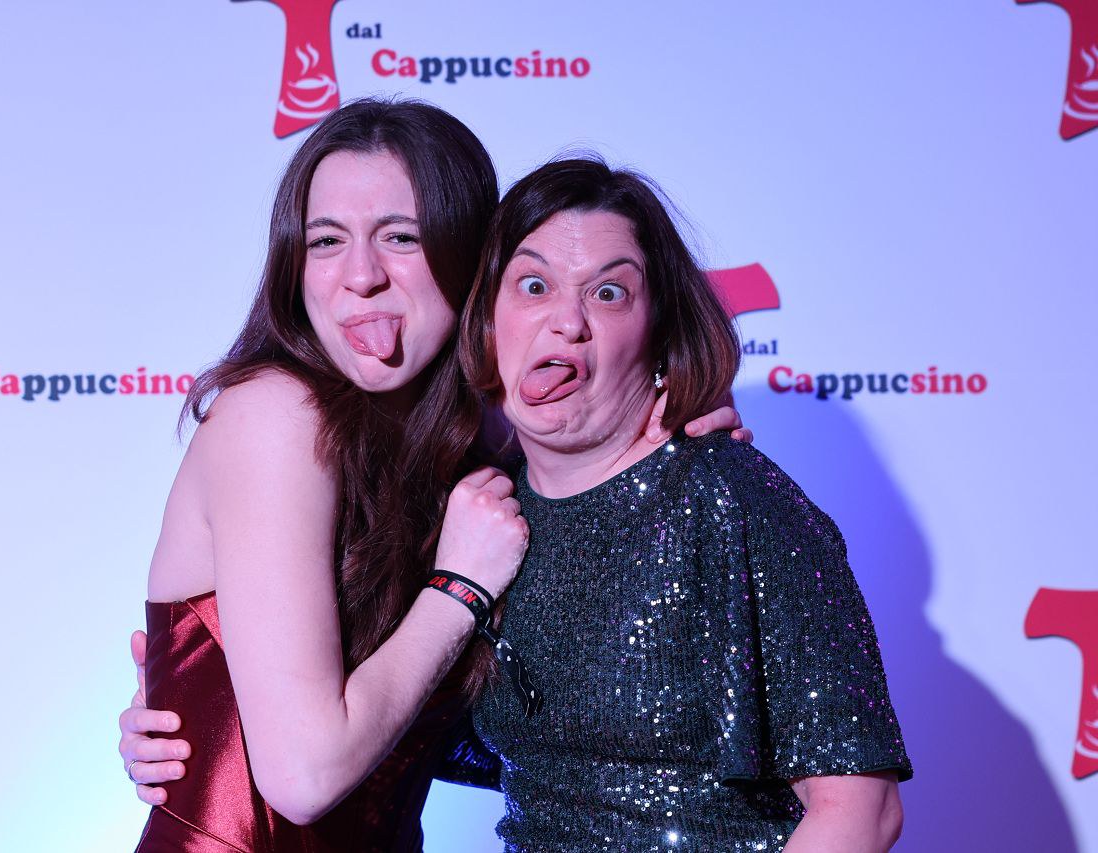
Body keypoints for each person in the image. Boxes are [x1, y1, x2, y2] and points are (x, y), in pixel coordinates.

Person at [121, 99, 747, 852]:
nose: (361, 276)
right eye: (326, 240)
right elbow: (303, 776)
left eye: (401, 237)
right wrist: (458, 591)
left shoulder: (481, 450)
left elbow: (529, 744)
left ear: (471, 260)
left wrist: (674, 428)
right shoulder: (274, 415)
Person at [459, 158, 912, 851]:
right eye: (534, 285)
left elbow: (860, 811)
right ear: (489, 320)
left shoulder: (729, 500)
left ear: (660, 337)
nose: (567, 322)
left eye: (609, 293)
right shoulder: (484, 516)